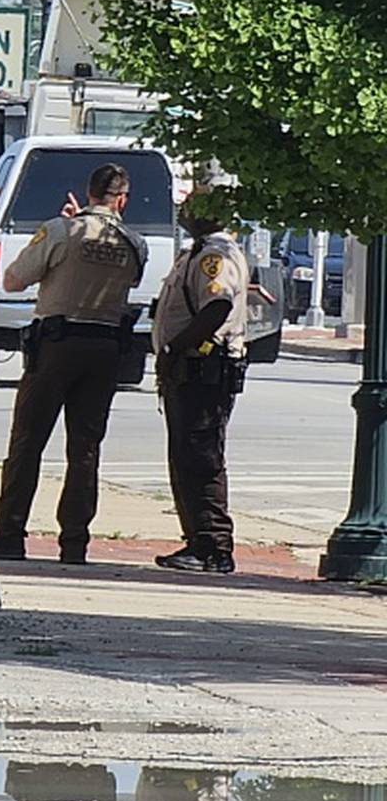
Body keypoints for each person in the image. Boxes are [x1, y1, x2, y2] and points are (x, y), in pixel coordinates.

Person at [0, 161, 146, 565]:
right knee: (85, 449)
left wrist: (55, 234)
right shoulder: (134, 243)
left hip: (57, 346)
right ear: (122, 200)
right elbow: (128, 279)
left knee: (28, 442)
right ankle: (75, 542)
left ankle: (10, 533)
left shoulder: (61, 231)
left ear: (89, 193)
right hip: (104, 348)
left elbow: (13, 279)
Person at [152, 190, 251, 575]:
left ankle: (213, 546)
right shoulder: (196, 252)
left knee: (202, 457)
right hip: (188, 372)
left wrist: (177, 346)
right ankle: (197, 540)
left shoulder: (215, 256)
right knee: (185, 457)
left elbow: (218, 305)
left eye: (191, 208)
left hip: (204, 371)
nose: (183, 213)